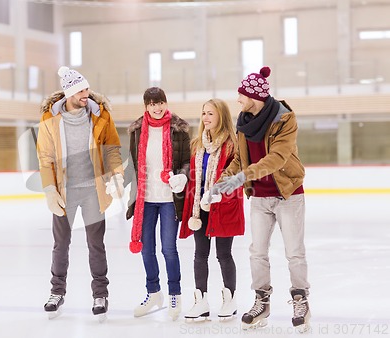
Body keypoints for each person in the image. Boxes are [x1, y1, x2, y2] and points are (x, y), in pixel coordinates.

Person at [211, 66, 311, 332]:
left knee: (294, 253)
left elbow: (277, 158)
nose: (238, 100)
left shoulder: (284, 119)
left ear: (255, 96)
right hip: (260, 197)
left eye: (241, 95)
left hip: (287, 193)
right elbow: (239, 159)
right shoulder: (244, 122)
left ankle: (301, 299)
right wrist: (225, 178)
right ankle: (262, 301)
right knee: (257, 252)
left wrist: (241, 177)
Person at [37, 66, 124, 320]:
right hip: (65, 192)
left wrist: (116, 173)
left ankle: (100, 294)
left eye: (87, 88)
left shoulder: (100, 115)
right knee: (60, 244)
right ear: (70, 92)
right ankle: (57, 292)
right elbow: (45, 157)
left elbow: (111, 149)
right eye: (82, 90)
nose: (87, 93)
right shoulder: (49, 119)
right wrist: (49, 189)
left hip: (93, 192)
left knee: (96, 245)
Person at [125, 87, 191, 320]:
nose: (156, 107)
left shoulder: (178, 128)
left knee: (169, 249)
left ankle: (175, 294)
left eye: (160, 102)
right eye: (151, 104)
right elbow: (133, 165)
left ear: (165, 102)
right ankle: (154, 293)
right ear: (146, 106)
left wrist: (182, 176)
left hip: (169, 200)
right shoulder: (135, 130)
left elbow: (186, 162)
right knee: (147, 249)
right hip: (145, 200)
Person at [179, 98, 245, 321]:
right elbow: (193, 175)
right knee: (200, 254)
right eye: (204, 113)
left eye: (211, 114)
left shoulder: (231, 145)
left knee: (224, 254)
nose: (206, 118)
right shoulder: (198, 144)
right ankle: (201, 301)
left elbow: (236, 178)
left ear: (221, 117)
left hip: (223, 206)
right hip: (200, 207)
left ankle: (230, 299)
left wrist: (217, 194)